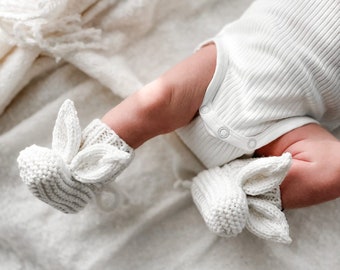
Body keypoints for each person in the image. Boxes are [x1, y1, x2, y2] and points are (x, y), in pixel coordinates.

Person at [17, 0, 339, 243]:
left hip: (283, 137)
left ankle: (235, 189)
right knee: (155, 100)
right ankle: (77, 172)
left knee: (334, 169)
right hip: (226, 70)